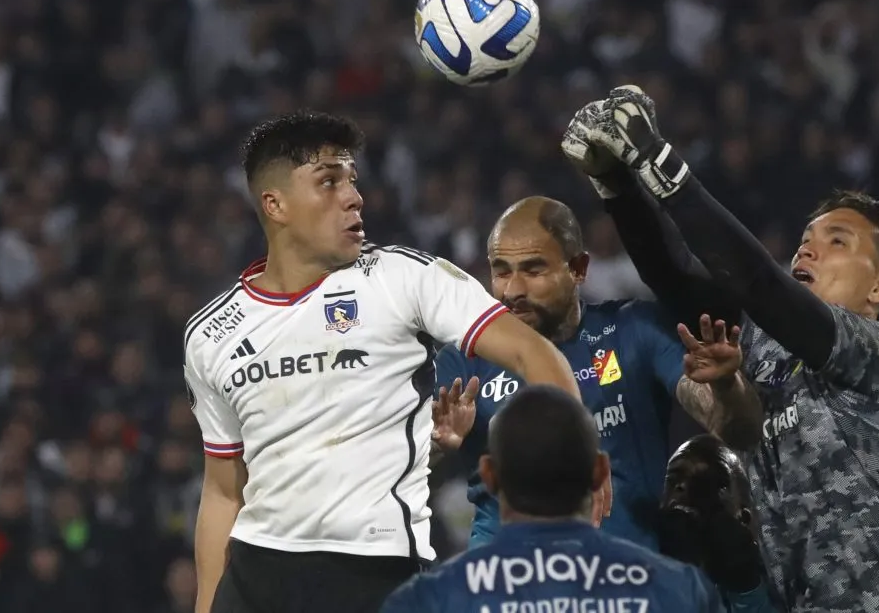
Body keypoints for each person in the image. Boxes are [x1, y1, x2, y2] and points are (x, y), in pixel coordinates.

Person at [560, 86, 879, 611]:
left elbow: (758, 281)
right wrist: (614, 182)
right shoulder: (760, 342)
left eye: (838, 241)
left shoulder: (878, 356)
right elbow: (677, 276)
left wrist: (656, 159)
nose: (809, 247)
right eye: (807, 238)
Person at [184, 110, 583, 613]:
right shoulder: (211, 334)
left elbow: (534, 352)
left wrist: (576, 465)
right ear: (275, 204)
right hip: (255, 578)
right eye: (329, 182)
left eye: (352, 179)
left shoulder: (404, 279)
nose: (354, 197)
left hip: (374, 572)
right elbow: (223, 492)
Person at [431, 196, 761, 550]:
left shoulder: (633, 330)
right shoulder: (463, 359)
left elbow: (739, 430)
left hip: (629, 577)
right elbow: (402, 463)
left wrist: (726, 383)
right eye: (501, 271)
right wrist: (434, 445)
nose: (513, 290)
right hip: (509, 585)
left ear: (579, 268)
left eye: (533, 269)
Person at [381, 386, 778, 613]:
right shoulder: (680, 591)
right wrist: (747, 591)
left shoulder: (429, 600)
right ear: (600, 473)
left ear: (489, 476)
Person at [659, 434, 771, 602]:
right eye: (673, 480)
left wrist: (746, 590)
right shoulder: (629, 577)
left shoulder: (784, 584)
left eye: (706, 484)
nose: (684, 486)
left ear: (745, 517)